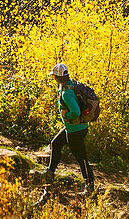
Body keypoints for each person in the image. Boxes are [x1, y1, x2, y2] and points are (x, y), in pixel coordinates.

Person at [39, 62, 95, 197]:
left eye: (54, 77)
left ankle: (90, 187)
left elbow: (75, 111)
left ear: (58, 78)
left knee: (81, 159)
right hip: (74, 127)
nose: (53, 78)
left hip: (75, 131)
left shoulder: (66, 93)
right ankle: (50, 172)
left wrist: (66, 115)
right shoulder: (72, 85)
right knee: (56, 143)